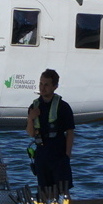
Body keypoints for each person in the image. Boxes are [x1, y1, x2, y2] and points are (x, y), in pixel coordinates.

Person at [26, 68, 74, 196]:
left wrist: (67, 155)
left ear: (55, 86)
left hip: (58, 152)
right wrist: (31, 118)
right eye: (41, 83)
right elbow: (31, 133)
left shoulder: (63, 107)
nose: (42, 87)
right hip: (41, 153)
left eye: (46, 84)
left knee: (63, 191)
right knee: (44, 191)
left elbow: (70, 132)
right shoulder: (34, 106)